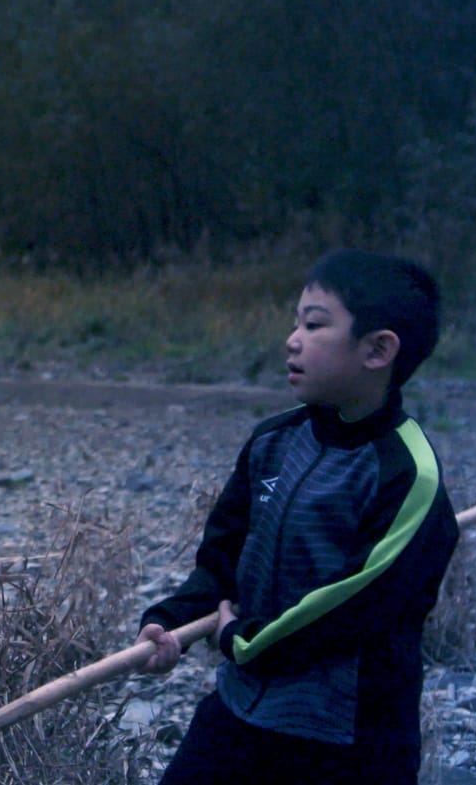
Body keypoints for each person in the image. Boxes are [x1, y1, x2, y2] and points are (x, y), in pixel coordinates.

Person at [133, 249, 457, 785]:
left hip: (347, 741)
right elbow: (222, 559)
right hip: (243, 706)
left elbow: (350, 607)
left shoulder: (407, 474)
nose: (292, 339)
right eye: (296, 322)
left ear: (377, 350)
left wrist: (242, 640)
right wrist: (170, 622)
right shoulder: (273, 442)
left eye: (314, 325)